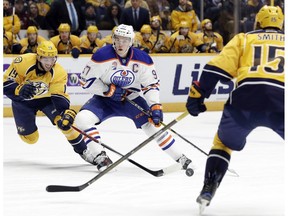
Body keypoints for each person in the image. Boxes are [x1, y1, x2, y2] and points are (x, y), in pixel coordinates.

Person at [185, 5, 284, 213]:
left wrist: (198, 95)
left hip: (245, 100)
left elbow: (215, 68)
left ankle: (209, 187)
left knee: (222, 143)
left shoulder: (245, 38)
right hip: (281, 100)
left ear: (258, 22)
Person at [74, 24, 194, 173]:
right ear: (113, 39)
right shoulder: (101, 56)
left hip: (132, 99)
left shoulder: (143, 59)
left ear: (131, 41)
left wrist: (155, 106)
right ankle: (100, 157)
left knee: (153, 125)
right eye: (117, 39)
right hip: (104, 100)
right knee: (81, 119)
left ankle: (180, 158)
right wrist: (107, 90)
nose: (120, 44)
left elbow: (151, 85)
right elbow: (84, 81)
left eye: (124, 40)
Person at [3, 41, 100, 169]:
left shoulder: (58, 72)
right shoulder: (22, 62)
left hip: (46, 100)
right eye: (46, 58)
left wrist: (64, 112)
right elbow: (4, 85)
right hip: (22, 102)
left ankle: (84, 151)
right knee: (30, 138)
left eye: (52, 58)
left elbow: (59, 96)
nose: (49, 62)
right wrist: (18, 89)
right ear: (38, 57)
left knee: (65, 123)